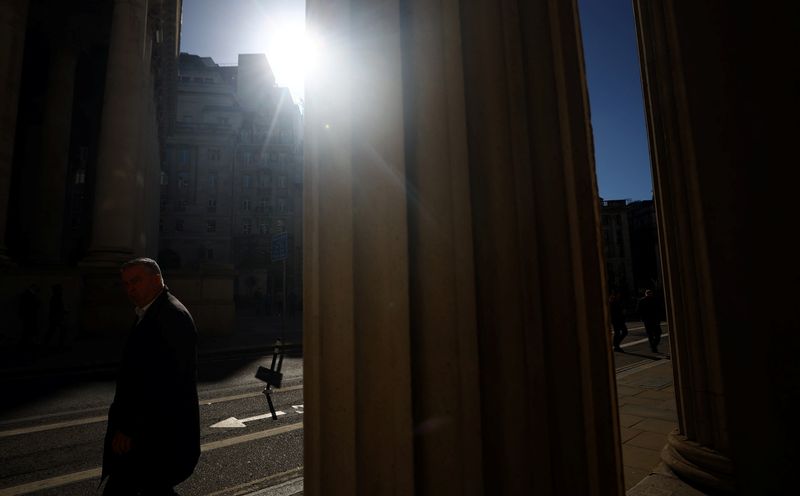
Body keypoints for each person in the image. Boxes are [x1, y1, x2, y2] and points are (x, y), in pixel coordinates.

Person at [102, 258, 200, 495]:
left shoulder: (171, 316)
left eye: (135, 281)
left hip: (156, 436)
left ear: (156, 280)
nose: (130, 289)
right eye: (126, 284)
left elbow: (163, 384)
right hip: (152, 435)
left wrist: (128, 427)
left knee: (129, 486)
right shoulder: (150, 311)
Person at [637, 289, 662, 353]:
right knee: (656, 334)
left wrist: (642, 318)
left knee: (652, 334)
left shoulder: (642, 301)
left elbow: (638, 310)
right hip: (652, 319)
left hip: (649, 320)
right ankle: (653, 346)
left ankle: (653, 346)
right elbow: (659, 309)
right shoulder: (654, 300)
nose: (649, 294)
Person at [45, 283, 67, 348]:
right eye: (60, 289)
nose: (61, 291)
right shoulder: (56, 298)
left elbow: (55, 308)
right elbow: (56, 308)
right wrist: (62, 312)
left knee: (52, 331)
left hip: (55, 317)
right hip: (56, 317)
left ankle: (45, 343)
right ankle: (60, 345)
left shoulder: (55, 297)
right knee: (56, 330)